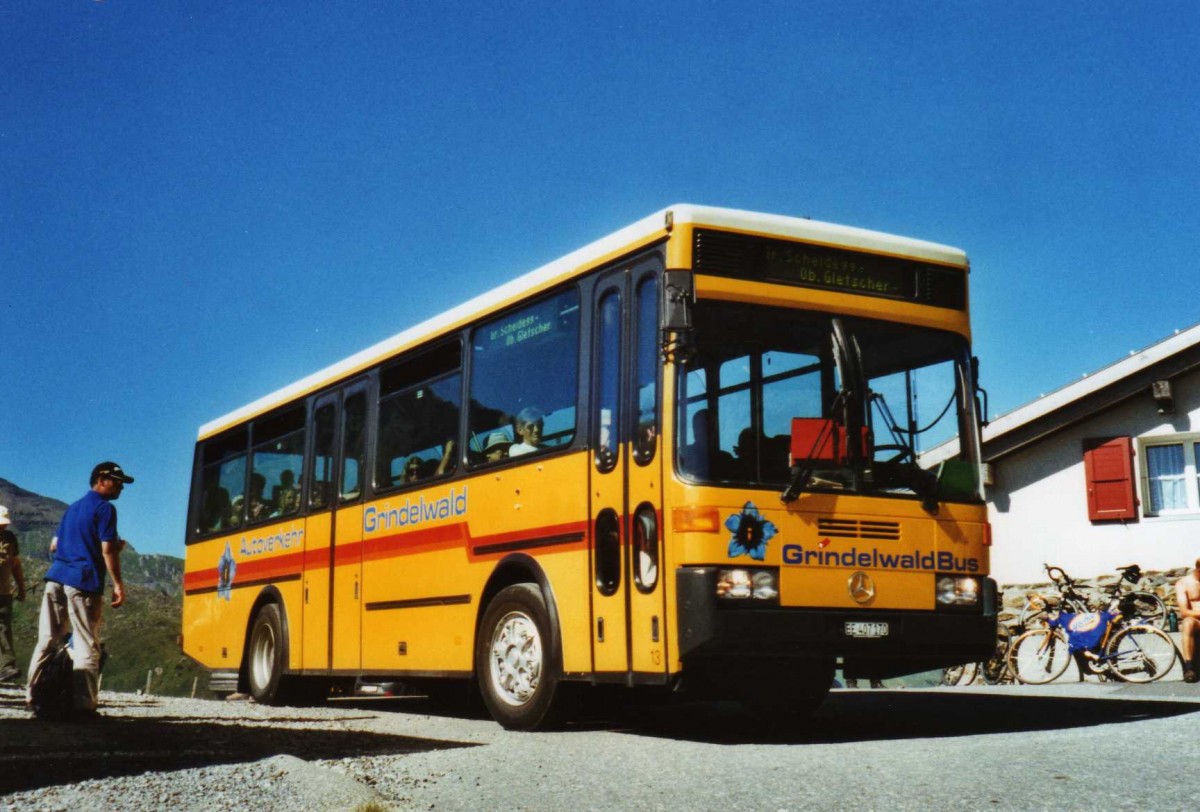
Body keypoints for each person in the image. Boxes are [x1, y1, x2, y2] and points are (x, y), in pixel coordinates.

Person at [26, 461, 133, 717]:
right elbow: (106, 549)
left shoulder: (72, 509)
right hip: (82, 580)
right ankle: (84, 706)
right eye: (117, 481)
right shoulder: (105, 509)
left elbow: (54, 546)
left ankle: (32, 696)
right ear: (101, 479)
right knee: (86, 641)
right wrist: (118, 583)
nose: (120, 488)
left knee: (47, 639)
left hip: (56, 578)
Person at [0, 506, 27, 683]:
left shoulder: (10, 538)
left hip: (4, 592)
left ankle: (6, 667)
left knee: (4, 628)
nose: (2, 527)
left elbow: (16, 564)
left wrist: (21, 587)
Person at [1176, 558, 1200, 683]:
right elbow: (1184, 612)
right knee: (1187, 623)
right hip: (1196, 621)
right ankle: (1189, 668)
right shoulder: (1183, 583)